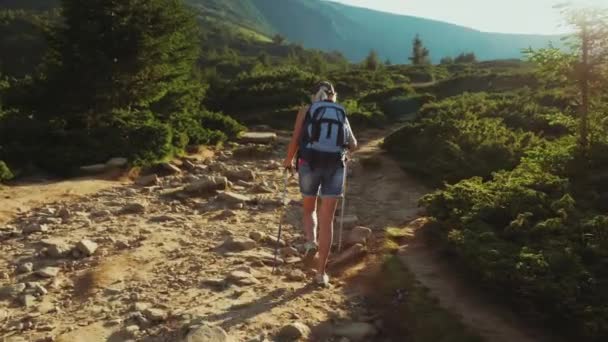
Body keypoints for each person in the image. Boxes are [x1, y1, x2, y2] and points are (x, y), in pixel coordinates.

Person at [283, 81, 358, 287]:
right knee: (328, 220)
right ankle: (321, 274)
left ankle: (310, 242)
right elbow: (353, 144)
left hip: (309, 163)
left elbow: (296, 139)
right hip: (335, 166)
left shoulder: (307, 110)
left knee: (308, 209)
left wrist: (288, 161)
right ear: (334, 95)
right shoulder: (340, 111)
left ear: (314, 95)